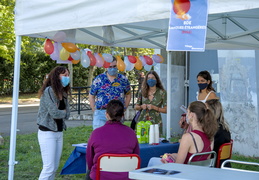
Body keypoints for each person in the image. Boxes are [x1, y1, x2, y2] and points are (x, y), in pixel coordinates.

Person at [148, 101, 218, 166]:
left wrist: (168, 164)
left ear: (191, 115)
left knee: (153, 161)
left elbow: (178, 166)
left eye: (187, 112)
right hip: (200, 174)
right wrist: (174, 156)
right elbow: (201, 158)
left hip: (186, 174)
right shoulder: (210, 136)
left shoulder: (188, 137)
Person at [86, 100, 140, 180]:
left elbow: (90, 159)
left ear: (106, 114)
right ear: (122, 115)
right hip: (126, 177)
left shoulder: (96, 133)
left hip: (100, 176)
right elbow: (136, 156)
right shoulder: (131, 133)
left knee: (89, 172)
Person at [37, 66, 71, 180]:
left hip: (58, 132)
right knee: (49, 168)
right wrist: (62, 112)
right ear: (57, 77)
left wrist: (61, 112)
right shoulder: (49, 91)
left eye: (68, 75)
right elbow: (54, 113)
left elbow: (68, 114)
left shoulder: (63, 93)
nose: (67, 77)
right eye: (65, 75)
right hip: (47, 133)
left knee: (54, 167)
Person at [89, 56, 131, 130]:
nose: (112, 68)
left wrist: (124, 108)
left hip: (117, 113)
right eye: (110, 66)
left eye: (114, 66)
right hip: (101, 112)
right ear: (106, 66)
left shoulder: (123, 79)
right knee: (100, 137)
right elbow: (91, 95)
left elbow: (128, 94)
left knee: (116, 137)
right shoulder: (99, 79)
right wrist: (94, 109)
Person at [205, 99, 231, 166]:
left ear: (212, 112)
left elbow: (205, 149)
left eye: (205, 110)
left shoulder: (215, 131)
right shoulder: (224, 128)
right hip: (224, 164)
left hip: (212, 164)